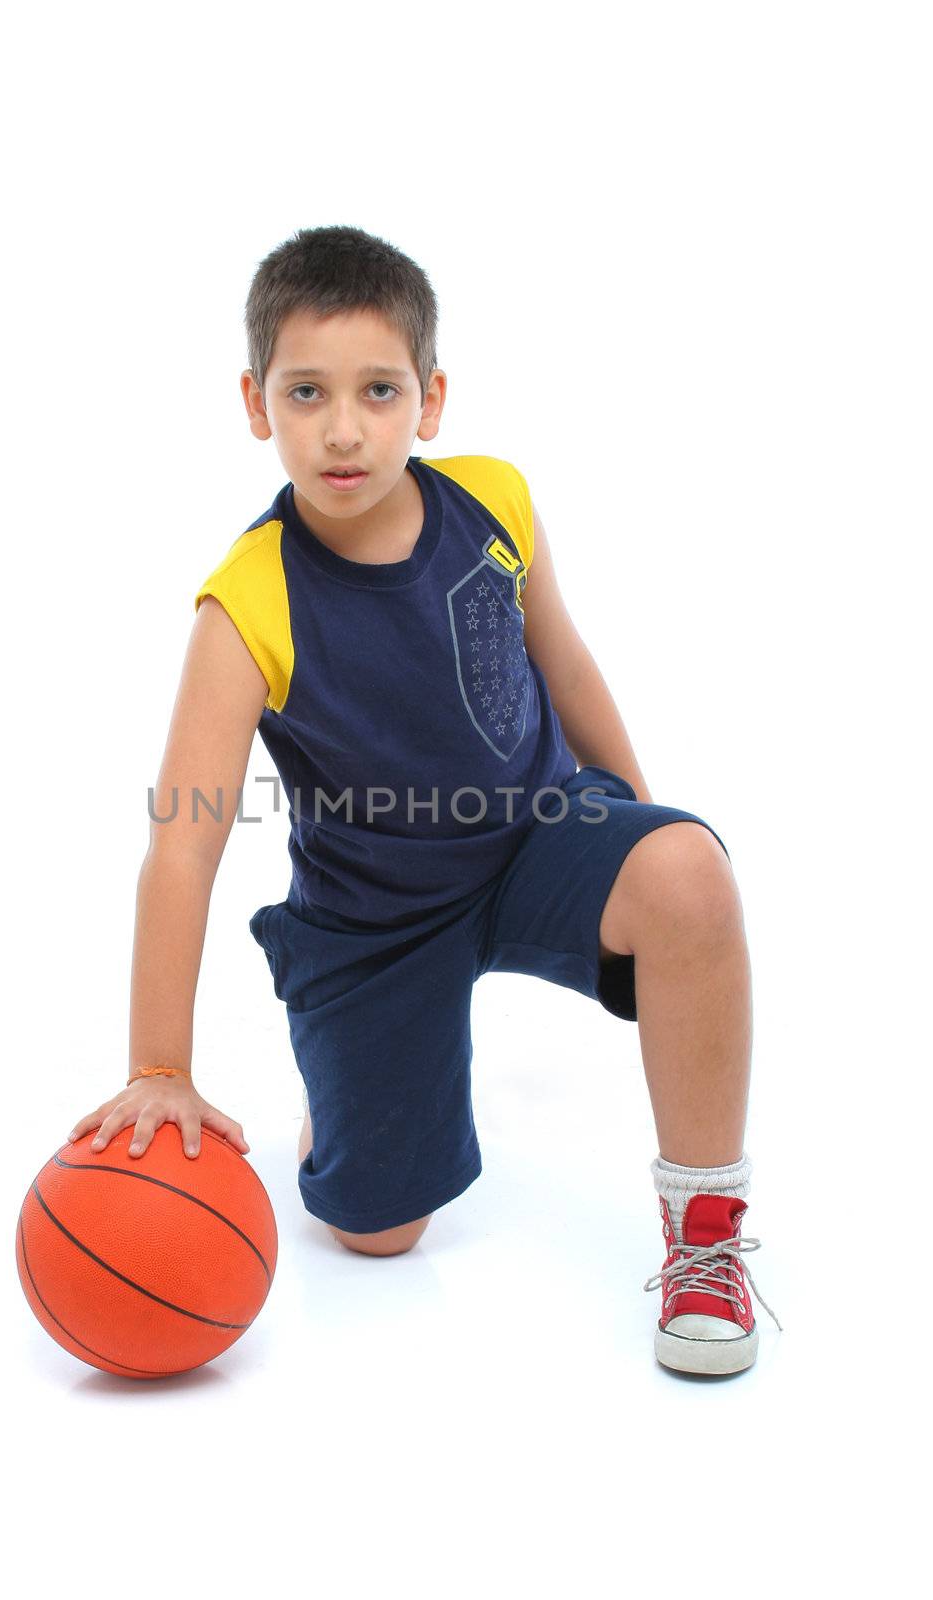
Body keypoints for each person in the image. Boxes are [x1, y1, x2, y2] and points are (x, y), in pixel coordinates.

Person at [66, 223, 781, 1376]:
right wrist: (159, 1066)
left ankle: (706, 1240)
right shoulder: (243, 606)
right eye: (307, 392)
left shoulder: (495, 503)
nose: (343, 427)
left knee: (692, 871)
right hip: (376, 920)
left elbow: (568, 666)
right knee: (376, 1232)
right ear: (257, 403)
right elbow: (183, 853)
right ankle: (345, 1094)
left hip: (537, 837)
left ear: (430, 399)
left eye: (377, 390)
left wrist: (649, 839)